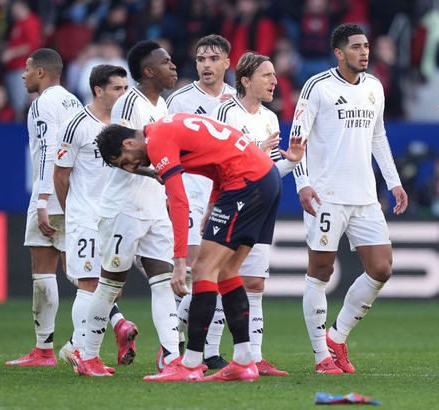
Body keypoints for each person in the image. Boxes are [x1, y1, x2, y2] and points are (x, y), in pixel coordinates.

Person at [94, 113, 305, 382]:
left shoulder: (156, 142)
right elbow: (218, 163)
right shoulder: (168, 126)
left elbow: (178, 200)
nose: (132, 167)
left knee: (203, 269)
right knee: (227, 271)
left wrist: (179, 261)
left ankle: (190, 363)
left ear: (128, 143)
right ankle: (243, 361)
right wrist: (213, 204)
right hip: (264, 178)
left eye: (125, 161)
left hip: (245, 182)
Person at [291, 23, 408, 375]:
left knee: (381, 268)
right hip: (326, 196)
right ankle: (320, 356)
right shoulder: (318, 87)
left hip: (365, 196)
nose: (364, 52)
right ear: (339, 53)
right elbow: (297, 140)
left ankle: (337, 337)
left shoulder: (374, 86)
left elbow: (378, 137)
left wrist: (394, 182)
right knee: (321, 271)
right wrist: (302, 184)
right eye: (356, 47)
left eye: (367, 46)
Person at [74, 41, 180, 378]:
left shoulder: (162, 104)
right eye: (165, 62)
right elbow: (113, 152)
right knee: (110, 285)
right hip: (123, 209)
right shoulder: (128, 103)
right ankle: (88, 357)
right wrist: (154, 172)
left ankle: (172, 358)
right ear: (148, 70)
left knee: (163, 282)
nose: (173, 66)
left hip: (154, 208)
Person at [212, 51, 294, 377]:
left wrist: (292, 162)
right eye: (267, 75)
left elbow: (269, 170)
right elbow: (218, 163)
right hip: (232, 203)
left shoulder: (270, 118)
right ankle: (205, 352)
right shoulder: (226, 112)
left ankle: (255, 357)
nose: (274, 81)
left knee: (256, 283)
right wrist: (256, 154)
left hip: (261, 205)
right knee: (218, 277)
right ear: (246, 81)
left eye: (274, 75)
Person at [53, 64, 137, 373]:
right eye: (117, 88)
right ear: (98, 90)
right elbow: (61, 175)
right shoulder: (76, 125)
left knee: (111, 287)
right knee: (89, 283)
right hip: (85, 215)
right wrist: (73, 212)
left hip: (114, 216)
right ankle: (84, 355)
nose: (123, 94)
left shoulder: (126, 124)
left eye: (126, 88)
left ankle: (79, 348)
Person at [5, 49, 83, 367]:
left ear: (40, 72)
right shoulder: (73, 101)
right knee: (74, 269)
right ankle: (116, 322)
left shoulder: (41, 104)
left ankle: (45, 350)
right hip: (74, 194)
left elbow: (49, 152)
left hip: (50, 196)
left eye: (27, 69)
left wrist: (41, 200)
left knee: (47, 270)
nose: (23, 75)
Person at [165, 33, 235, 371]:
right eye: (201, 59)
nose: (206, 65)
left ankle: (207, 349)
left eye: (213, 59)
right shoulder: (179, 101)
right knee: (197, 273)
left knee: (218, 273)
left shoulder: (236, 101)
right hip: (190, 194)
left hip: (224, 195)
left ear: (227, 63)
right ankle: (173, 341)